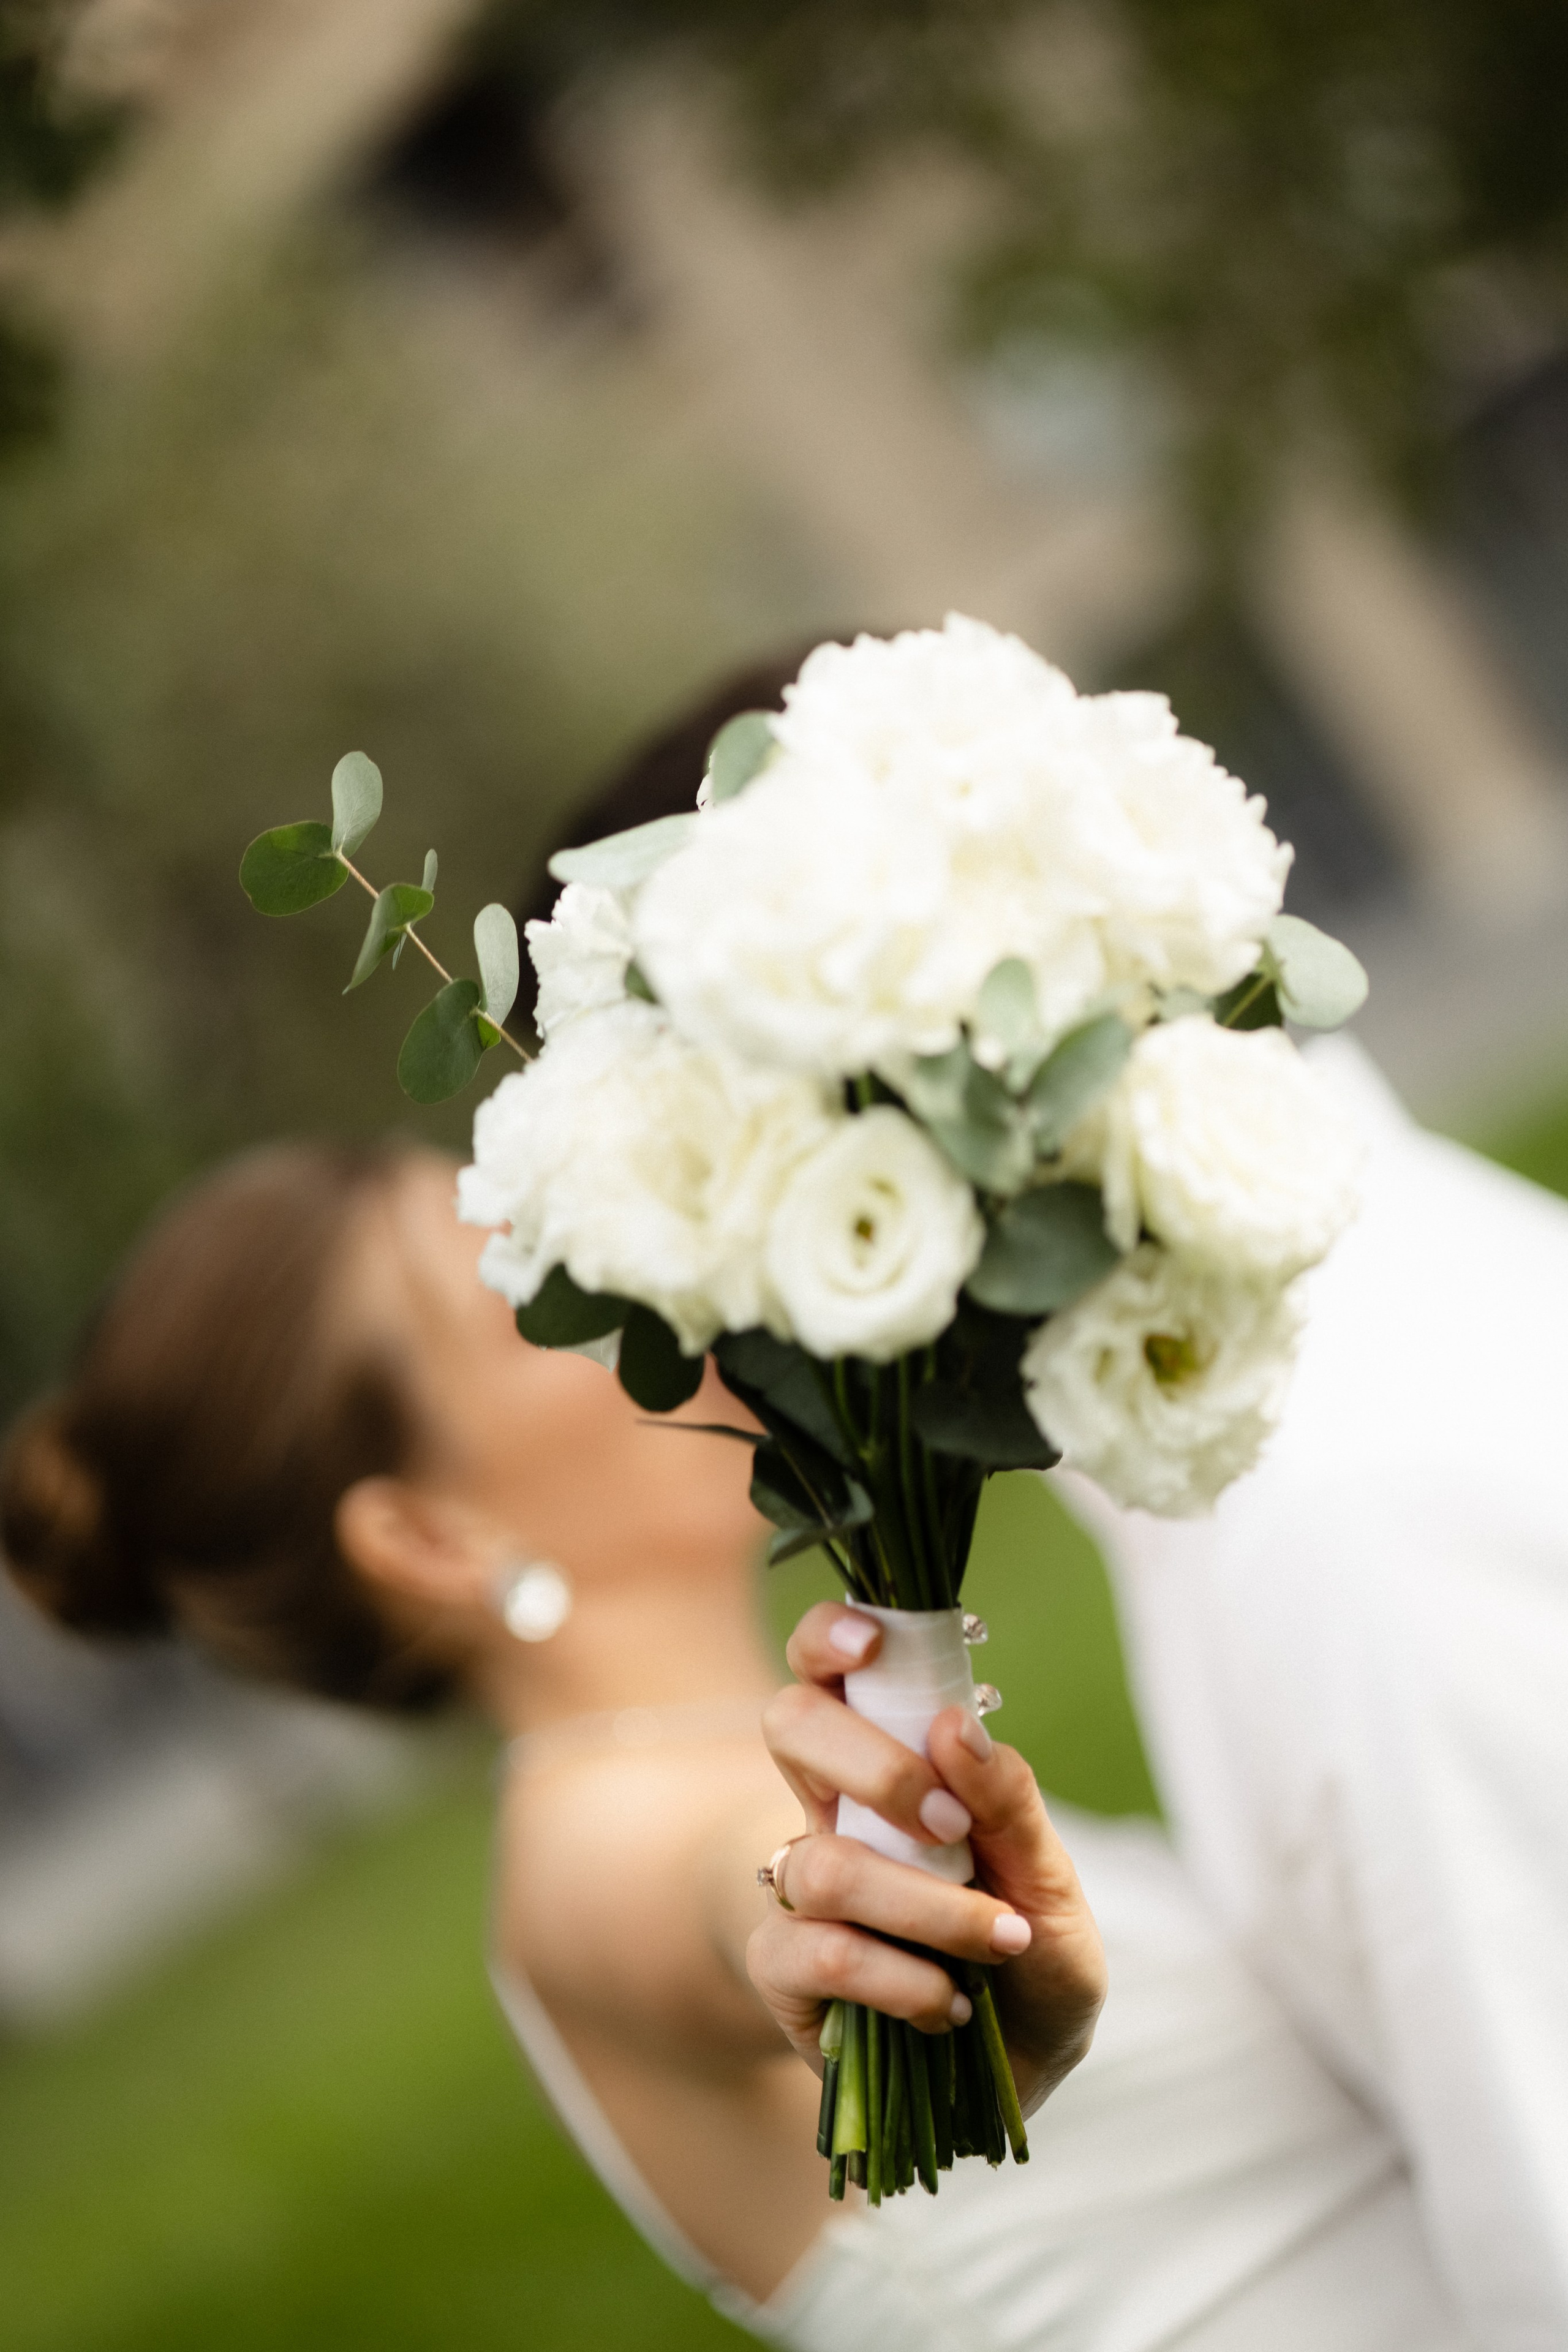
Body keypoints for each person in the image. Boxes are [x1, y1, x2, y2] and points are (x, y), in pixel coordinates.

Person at [0, 1133, 1105, 2327]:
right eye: (533, 1288)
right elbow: (724, 1890)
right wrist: (826, 1908)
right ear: (432, 1540)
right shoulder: (582, 1848)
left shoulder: (738, 1743)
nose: (631, 1272)